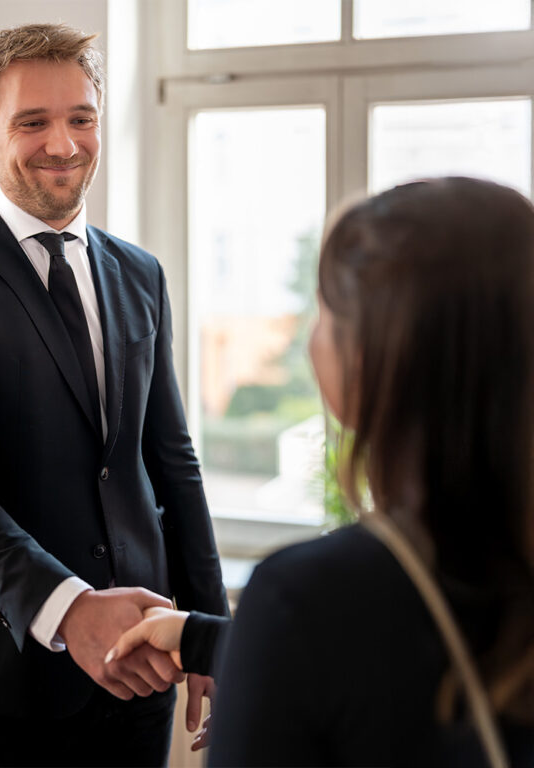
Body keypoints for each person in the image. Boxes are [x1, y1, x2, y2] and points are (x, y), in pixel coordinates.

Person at [0, 23, 228, 767]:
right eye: (32, 122)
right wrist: (69, 610)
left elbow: (170, 459)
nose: (64, 144)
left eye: (81, 118)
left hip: (143, 667)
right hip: (6, 675)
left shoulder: (141, 273)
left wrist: (206, 630)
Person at [109, 177, 534, 766]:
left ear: (371, 360)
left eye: (325, 308)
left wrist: (264, 639)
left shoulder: (309, 598)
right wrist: (205, 638)